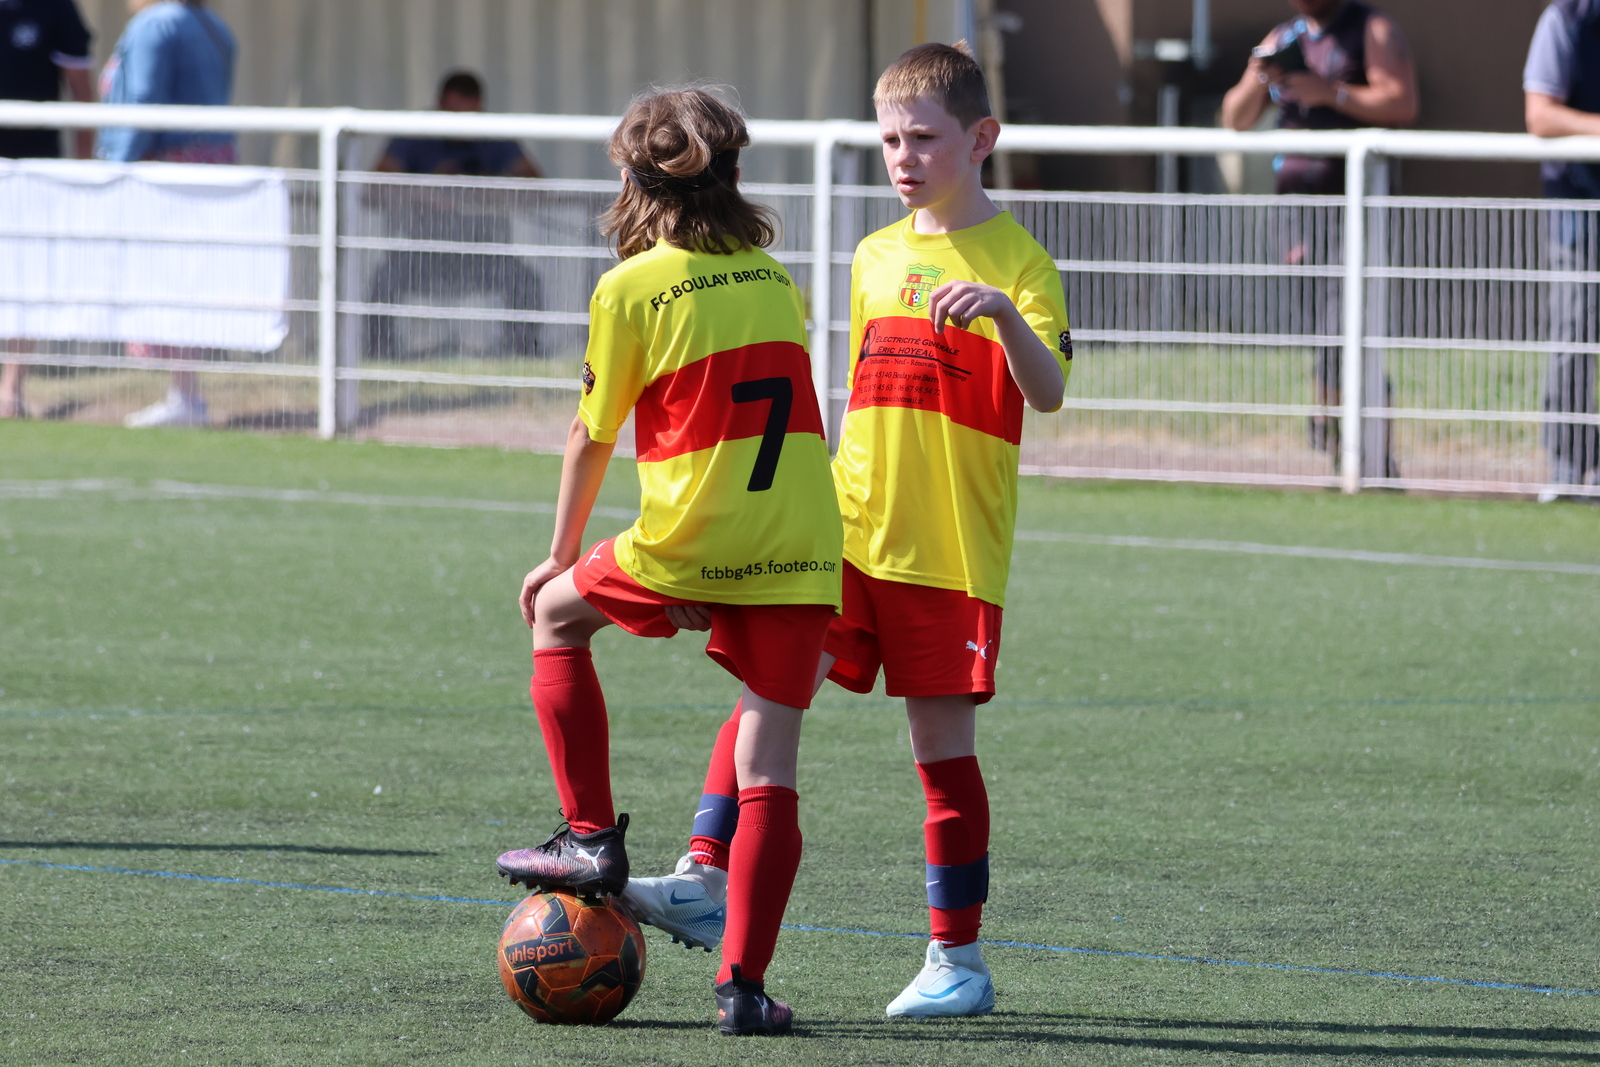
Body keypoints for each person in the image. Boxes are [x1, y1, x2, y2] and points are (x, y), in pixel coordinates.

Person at [624, 42, 1071, 1020]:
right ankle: (703, 872)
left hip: (947, 551)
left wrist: (1003, 314)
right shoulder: (873, 254)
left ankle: (957, 958)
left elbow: (1047, 392)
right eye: (891, 140)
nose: (904, 157)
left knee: (939, 747)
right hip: (846, 529)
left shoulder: (1021, 264)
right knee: (767, 690)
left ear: (981, 139)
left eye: (924, 138)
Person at [492, 87, 842, 1037]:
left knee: (556, 614)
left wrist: (560, 555)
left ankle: (590, 838)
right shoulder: (776, 280)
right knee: (769, 767)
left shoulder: (632, 287)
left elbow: (591, 432)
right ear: (735, 174)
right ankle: (743, 990)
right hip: (804, 543)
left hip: (690, 541)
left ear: (633, 181)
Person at [1221, 0, 1418, 478]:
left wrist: (1331, 93)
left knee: (1345, 328)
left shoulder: (1371, 28)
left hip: (1353, 207)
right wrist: (1259, 76)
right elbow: (1235, 117)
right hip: (1295, 212)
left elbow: (1402, 103)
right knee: (1323, 332)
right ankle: (1343, 443)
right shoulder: (1284, 36)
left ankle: (1351, 438)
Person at [97, 0, 236, 429]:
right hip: (204, 163)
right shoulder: (210, 23)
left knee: (170, 277)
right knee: (184, 277)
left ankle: (185, 394)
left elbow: (143, 98)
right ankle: (184, 391)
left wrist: (116, 170)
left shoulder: (157, 23)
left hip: (166, 167)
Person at [366, 71, 544, 360]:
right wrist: (428, 191)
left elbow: (535, 184)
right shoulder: (414, 132)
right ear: (439, 105)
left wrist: (486, 189)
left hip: (483, 254)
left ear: (480, 108)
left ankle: (523, 359)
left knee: (525, 281)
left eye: (468, 116)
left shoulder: (495, 135)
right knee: (383, 281)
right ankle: (379, 357)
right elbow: (374, 187)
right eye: (452, 114)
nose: (460, 123)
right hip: (422, 255)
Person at [0, 0, 95, 419]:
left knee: (25, 274)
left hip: (32, 170)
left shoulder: (55, 8)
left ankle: (11, 388)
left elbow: (81, 89)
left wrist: (85, 167)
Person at [1524, 0, 1600, 501]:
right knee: (1575, 329)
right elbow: (1541, 115)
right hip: (1579, 208)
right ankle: (1568, 466)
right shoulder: (1567, 18)